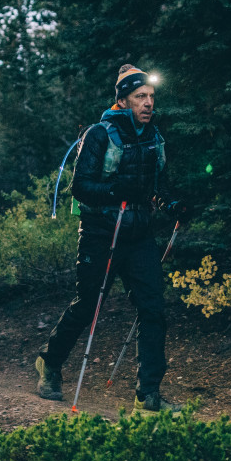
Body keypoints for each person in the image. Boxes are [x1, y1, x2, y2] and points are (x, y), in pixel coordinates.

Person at [35, 64, 191, 412]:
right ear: (122, 100)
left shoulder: (154, 136)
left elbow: (158, 185)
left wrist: (173, 203)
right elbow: (80, 187)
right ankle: (50, 364)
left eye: (151, 96)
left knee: (153, 310)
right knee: (88, 306)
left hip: (139, 236)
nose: (148, 103)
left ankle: (147, 395)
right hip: (101, 233)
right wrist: (112, 190)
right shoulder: (98, 135)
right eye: (140, 97)